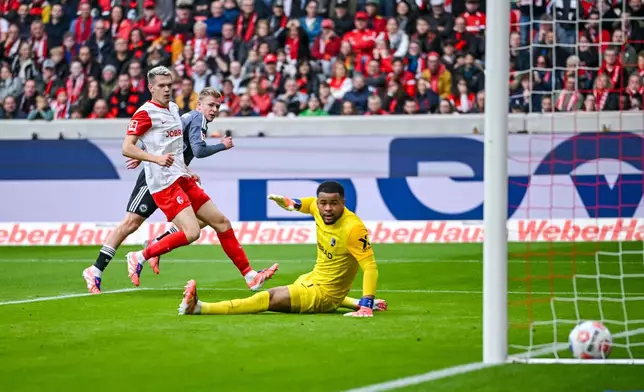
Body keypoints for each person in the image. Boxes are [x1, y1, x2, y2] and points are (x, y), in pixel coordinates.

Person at [82, 69, 277, 294]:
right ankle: (97, 269)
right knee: (131, 224)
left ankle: (250, 276)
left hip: (178, 175)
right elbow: (127, 147)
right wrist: (149, 157)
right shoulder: (145, 113)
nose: (167, 89)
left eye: (169, 85)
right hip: (157, 178)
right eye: (162, 85)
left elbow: (172, 144)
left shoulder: (174, 109)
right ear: (151, 88)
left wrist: (185, 169)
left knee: (218, 222)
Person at [178, 181, 387, 317]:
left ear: (343, 202)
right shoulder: (317, 207)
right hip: (311, 279)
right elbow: (306, 204)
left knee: (268, 297)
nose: (327, 208)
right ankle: (355, 302)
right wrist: (289, 202)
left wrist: (367, 303)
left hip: (323, 295)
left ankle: (200, 307)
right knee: (286, 290)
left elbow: (370, 267)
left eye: (334, 203)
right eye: (323, 203)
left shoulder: (353, 228)